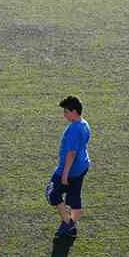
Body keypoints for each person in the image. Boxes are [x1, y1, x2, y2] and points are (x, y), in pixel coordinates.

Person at [50, 95, 90, 239]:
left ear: (74, 112)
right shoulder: (84, 124)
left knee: (52, 193)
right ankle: (71, 223)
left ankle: (68, 223)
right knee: (74, 196)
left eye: (66, 111)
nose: (64, 114)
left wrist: (65, 174)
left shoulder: (73, 129)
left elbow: (72, 153)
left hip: (70, 170)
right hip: (82, 166)